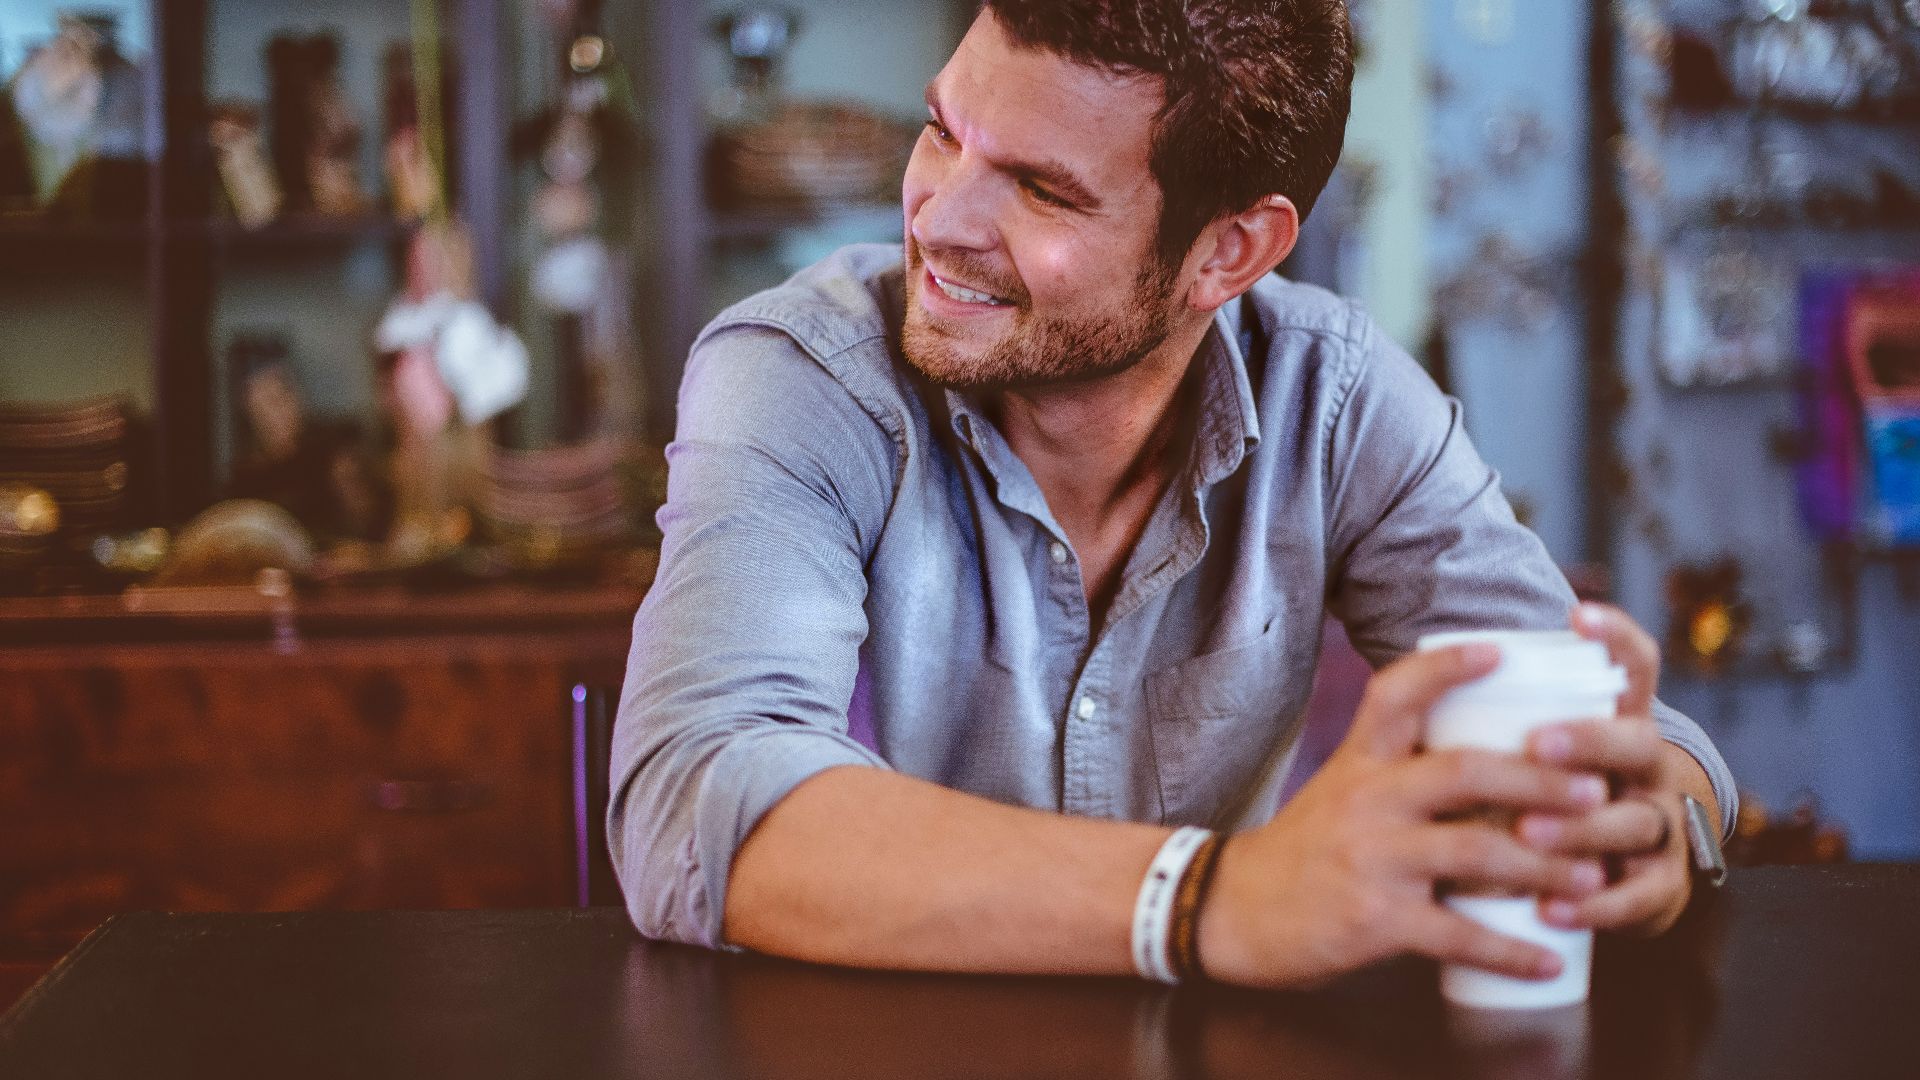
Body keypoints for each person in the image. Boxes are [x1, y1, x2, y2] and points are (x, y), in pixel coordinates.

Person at [610, 0, 1736, 989]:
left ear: (1228, 253)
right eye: (944, 130)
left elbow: (1642, 747)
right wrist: (1216, 899)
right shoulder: (802, 374)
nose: (937, 219)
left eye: (1043, 190)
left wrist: (1651, 819)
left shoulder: (1336, 400)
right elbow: (697, 799)